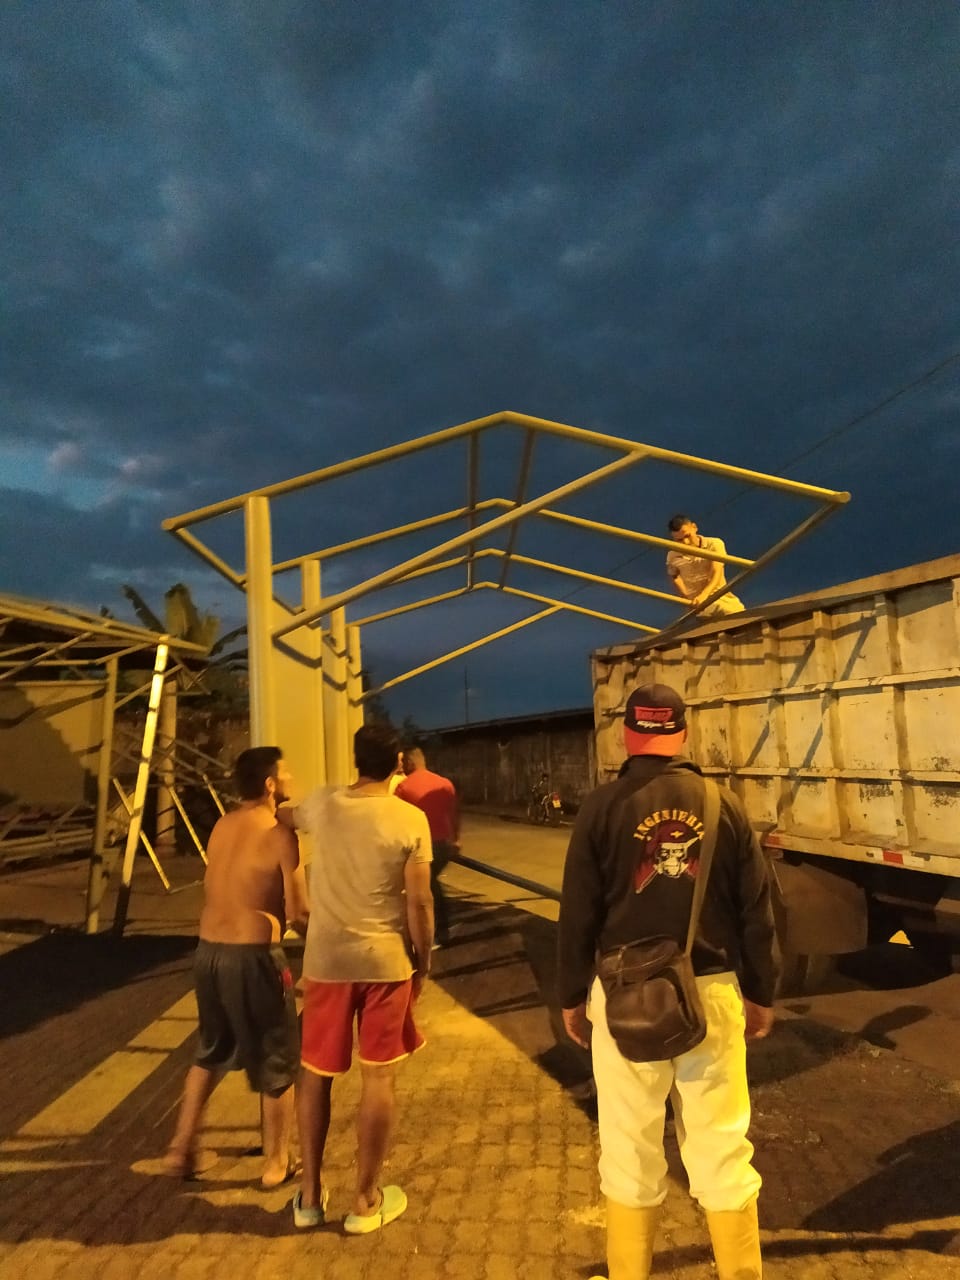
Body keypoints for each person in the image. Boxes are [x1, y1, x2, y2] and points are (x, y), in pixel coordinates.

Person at [557, 684, 776, 1280]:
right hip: (710, 995)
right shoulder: (723, 804)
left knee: (629, 1148)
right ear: (682, 734)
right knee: (722, 1147)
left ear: (627, 735)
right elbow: (756, 911)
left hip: (623, 998)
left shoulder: (600, 808)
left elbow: (577, 914)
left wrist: (572, 996)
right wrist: (760, 993)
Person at [289, 722, 434, 1233]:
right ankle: (366, 1200)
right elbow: (419, 902)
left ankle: (309, 1198)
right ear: (398, 763)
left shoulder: (324, 805)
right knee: (379, 1077)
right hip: (384, 962)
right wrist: (424, 960)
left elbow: (282, 816)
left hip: (326, 961)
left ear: (355, 759)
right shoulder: (411, 819)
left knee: (315, 1074)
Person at [163, 746, 309, 1187]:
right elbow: (298, 912)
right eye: (286, 771)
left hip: (209, 953)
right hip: (254, 957)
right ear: (270, 784)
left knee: (211, 1050)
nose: (291, 777)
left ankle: (181, 1148)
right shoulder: (281, 836)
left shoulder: (223, 826)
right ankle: (277, 1163)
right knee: (277, 1058)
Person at [396, 746, 460, 948]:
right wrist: (456, 839)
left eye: (404, 763)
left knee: (426, 889)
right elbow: (454, 814)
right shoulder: (445, 783)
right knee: (430, 884)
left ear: (410, 762)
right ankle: (438, 929)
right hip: (443, 845)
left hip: (420, 847)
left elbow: (398, 820)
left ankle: (437, 932)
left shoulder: (403, 787)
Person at [666, 514, 744, 616]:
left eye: (687, 536)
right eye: (679, 540)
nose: (685, 542)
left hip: (720, 599)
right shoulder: (672, 555)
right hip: (697, 606)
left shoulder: (714, 544)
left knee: (742, 618)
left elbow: (717, 570)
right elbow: (674, 576)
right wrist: (686, 597)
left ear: (694, 527)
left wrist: (704, 595)